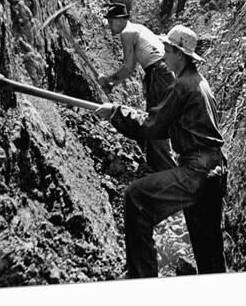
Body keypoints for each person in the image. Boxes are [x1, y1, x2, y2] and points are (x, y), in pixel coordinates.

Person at [96, 24, 227, 278]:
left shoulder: (182, 86)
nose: (163, 55)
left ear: (179, 54)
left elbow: (152, 127)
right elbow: (170, 127)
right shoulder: (200, 84)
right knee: (209, 248)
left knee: (136, 197)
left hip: (196, 172)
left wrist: (115, 113)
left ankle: (141, 280)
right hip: (215, 172)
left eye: (167, 50)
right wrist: (121, 112)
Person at [98, 3, 176, 172]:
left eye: (111, 21)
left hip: (158, 73)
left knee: (156, 122)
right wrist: (112, 84)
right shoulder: (137, 29)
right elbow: (131, 68)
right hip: (164, 73)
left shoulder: (127, 32)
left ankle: (166, 169)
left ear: (120, 20)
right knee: (156, 119)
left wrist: (107, 79)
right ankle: (157, 165)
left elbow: (126, 68)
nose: (109, 26)